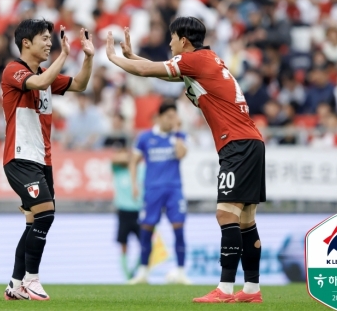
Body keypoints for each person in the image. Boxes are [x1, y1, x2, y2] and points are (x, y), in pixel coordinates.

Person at [106, 18, 266, 303]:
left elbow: (146, 70)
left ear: (183, 40)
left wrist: (113, 59)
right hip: (251, 141)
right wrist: (131, 56)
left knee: (226, 214)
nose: (169, 44)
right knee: (245, 219)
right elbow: (158, 72)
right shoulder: (207, 60)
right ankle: (251, 290)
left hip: (237, 144)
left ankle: (225, 290)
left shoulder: (195, 60)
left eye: (172, 38)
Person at [2, 20, 94, 301]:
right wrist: (64, 56)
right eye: (44, 38)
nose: (49, 43)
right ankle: (32, 279)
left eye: (50, 39)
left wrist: (88, 57)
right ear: (26, 42)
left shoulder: (46, 73)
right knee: (46, 214)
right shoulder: (13, 71)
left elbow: (80, 84)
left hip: (43, 160)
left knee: (34, 222)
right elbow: (40, 82)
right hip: (20, 157)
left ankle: (15, 284)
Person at [127, 101, 191, 285]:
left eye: (174, 116)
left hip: (174, 189)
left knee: (179, 228)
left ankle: (180, 272)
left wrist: (177, 131)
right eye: (169, 116)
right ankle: (143, 272)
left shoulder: (179, 136)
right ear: (160, 117)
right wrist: (134, 185)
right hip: (152, 190)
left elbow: (180, 154)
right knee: (146, 230)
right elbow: (134, 161)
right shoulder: (145, 138)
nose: (172, 120)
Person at [106, 114, 143, 280]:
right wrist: (129, 157)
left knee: (145, 245)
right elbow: (115, 159)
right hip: (123, 211)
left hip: (138, 211)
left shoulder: (141, 169)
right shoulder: (118, 169)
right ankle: (127, 275)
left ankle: (135, 272)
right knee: (124, 244)